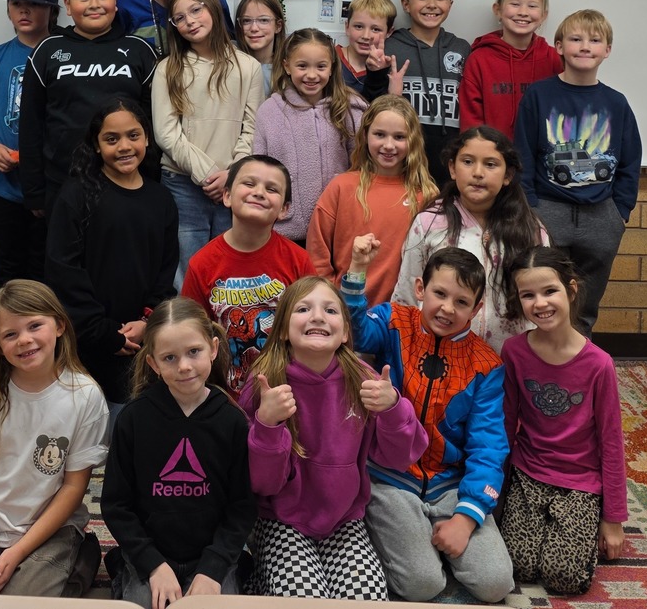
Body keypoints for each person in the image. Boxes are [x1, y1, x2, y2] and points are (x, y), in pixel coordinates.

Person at [345, 238, 514, 603]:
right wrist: (357, 268)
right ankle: (411, 542)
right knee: (423, 586)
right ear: (420, 288)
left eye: (462, 302)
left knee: (496, 583)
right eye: (440, 293)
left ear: (476, 308)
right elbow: (351, 328)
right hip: (389, 480)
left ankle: (436, 536)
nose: (447, 308)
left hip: (449, 484)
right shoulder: (392, 321)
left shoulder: (487, 365)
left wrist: (466, 519)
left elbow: (489, 447)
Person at [239, 275, 428, 600]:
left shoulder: (365, 380)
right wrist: (268, 426)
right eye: (303, 309)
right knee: (306, 599)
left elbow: (399, 459)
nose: (317, 316)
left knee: (367, 599)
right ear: (282, 329)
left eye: (330, 310)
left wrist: (394, 408)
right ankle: (261, 581)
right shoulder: (265, 386)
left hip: (344, 519)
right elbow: (262, 485)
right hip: (281, 520)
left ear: (344, 333)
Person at [0, 280, 108, 597]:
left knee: (23, 597)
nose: (24, 340)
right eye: (10, 334)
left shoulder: (85, 397)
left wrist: (16, 553)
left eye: (34, 325)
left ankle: (81, 555)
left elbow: (74, 486)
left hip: (50, 528)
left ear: (58, 325)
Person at [101, 298, 256, 608]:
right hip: (151, 556)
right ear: (154, 364)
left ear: (213, 348)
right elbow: (116, 505)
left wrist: (213, 569)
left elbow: (242, 507)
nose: (184, 366)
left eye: (194, 352)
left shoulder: (232, 420)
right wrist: (153, 565)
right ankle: (124, 569)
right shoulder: (133, 419)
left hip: (211, 555)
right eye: (169, 357)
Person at [501, 246, 627, 595]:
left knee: (564, 578)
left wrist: (613, 520)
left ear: (571, 290)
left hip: (580, 480)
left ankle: (579, 525)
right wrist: (496, 489)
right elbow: (507, 422)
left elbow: (612, 442)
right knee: (518, 567)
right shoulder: (514, 351)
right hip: (528, 472)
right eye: (528, 295)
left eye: (550, 291)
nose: (540, 303)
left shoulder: (599, 364)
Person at [47, 99, 178, 420]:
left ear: (147, 138)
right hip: (87, 344)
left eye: (133, 135)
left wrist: (148, 323)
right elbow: (63, 270)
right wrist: (102, 332)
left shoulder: (160, 199)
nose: (124, 146)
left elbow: (166, 270)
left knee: (132, 427)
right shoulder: (76, 195)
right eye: (111, 139)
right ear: (96, 144)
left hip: (140, 341)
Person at [514, 9, 642, 336]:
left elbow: (630, 158)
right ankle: (536, 356)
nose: (585, 46)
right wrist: (530, 207)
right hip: (548, 208)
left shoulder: (617, 103)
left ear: (607, 50)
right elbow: (523, 152)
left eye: (595, 40)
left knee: (586, 299)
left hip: (602, 214)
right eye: (575, 39)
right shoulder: (539, 95)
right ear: (558, 46)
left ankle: (577, 358)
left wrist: (620, 210)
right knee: (541, 289)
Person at [19, 0, 157, 222]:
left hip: (129, 183)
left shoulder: (140, 52)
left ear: (115, 0)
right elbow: (31, 126)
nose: (94, 5)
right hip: (62, 184)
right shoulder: (48, 51)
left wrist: (150, 182)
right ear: (68, 6)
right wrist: (34, 191)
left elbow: (153, 124)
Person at [393, 125, 548, 352]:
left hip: (510, 357)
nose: (478, 172)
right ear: (452, 168)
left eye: (490, 164)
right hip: (440, 354)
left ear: (508, 175)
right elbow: (406, 295)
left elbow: (542, 296)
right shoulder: (428, 224)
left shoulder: (530, 229)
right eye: (467, 161)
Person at [153, 0, 265, 282]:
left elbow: (253, 128)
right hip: (182, 183)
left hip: (233, 183)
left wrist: (231, 173)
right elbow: (166, 133)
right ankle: (191, 329)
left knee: (230, 267)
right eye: (179, 17)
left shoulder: (248, 67)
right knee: (188, 270)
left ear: (212, 8)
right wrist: (207, 175)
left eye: (196, 10)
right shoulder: (168, 68)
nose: (189, 21)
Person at [182, 155, 315, 395]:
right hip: (225, 396)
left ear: (284, 209)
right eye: (249, 184)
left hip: (289, 392)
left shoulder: (298, 260)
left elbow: (311, 328)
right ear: (227, 196)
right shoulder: (201, 263)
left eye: (272, 189)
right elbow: (191, 334)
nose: (259, 192)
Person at [307, 94, 437, 305]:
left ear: (412, 140)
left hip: (402, 318)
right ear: (365, 134)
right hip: (346, 311)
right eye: (379, 134)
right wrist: (331, 301)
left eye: (399, 137)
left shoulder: (426, 195)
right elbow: (317, 253)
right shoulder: (342, 187)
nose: (388, 145)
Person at [0, 0, 61, 286]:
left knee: (45, 269)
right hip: (2, 183)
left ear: (52, 9)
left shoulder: (63, 53)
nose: (25, 11)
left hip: (49, 183)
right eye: (17, 4)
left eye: (35, 4)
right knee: (6, 267)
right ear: (8, 9)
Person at [254, 28, 366, 244]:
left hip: (337, 229)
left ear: (332, 67)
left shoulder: (350, 109)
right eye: (302, 66)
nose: (312, 75)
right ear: (287, 66)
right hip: (284, 230)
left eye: (321, 66)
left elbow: (362, 167)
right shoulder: (269, 111)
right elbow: (259, 168)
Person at [386, 0, 470, 186]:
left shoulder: (462, 49)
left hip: (450, 164)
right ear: (406, 4)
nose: (431, 5)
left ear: (450, 4)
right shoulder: (389, 47)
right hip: (403, 161)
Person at [460, 0, 561, 140]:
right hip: (492, 159)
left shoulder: (554, 59)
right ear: (498, 10)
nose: (523, 12)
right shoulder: (479, 59)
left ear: (543, 15)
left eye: (532, 6)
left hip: (542, 161)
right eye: (515, 4)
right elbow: (471, 120)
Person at [337, 0, 407, 102]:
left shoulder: (388, 71)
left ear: (389, 32)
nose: (366, 36)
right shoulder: (330, 59)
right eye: (359, 26)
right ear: (347, 27)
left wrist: (394, 95)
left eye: (375, 29)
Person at [234, 0, 286, 96]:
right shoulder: (230, 59)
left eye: (263, 20)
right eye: (246, 21)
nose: (254, 28)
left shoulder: (288, 67)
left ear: (278, 26)